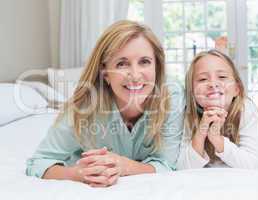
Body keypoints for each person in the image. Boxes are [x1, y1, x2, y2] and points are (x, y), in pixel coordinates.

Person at [26, 20, 185, 187]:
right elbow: (39, 162)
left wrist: (124, 166)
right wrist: (79, 173)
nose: (135, 75)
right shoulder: (83, 108)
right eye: (121, 64)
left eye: (144, 61)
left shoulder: (171, 95)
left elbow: (166, 165)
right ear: (105, 73)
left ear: (156, 67)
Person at [177, 49, 258, 169]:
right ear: (192, 93)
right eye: (202, 79)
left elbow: (253, 165)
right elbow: (182, 168)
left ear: (237, 89)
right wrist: (201, 131)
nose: (213, 84)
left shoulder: (245, 109)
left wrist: (216, 138)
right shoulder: (188, 114)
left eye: (222, 77)